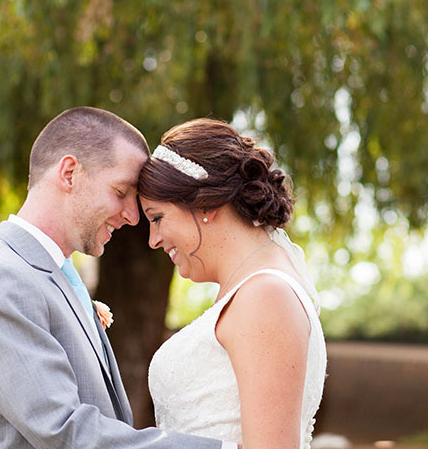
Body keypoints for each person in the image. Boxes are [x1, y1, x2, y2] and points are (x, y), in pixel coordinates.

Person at [0, 107, 229, 449]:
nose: (133, 217)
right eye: (122, 192)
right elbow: (64, 430)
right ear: (69, 173)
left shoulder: (53, 278)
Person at [138, 118, 326, 449]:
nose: (153, 239)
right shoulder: (252, 290)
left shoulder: (265, 296)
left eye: (157, 218)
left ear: (205, 203)